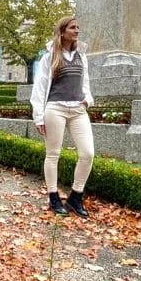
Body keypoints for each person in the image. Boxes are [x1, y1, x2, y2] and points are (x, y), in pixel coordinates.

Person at [30, 16, 95, 217]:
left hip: (77, 110)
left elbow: (85, 83)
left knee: (87, 154)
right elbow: (40, 87)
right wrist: (39, 117)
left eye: (78, 27)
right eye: (73, 27)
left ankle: (76, 195)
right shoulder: (50, 56)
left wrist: (87, 100)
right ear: (63, 31)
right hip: (55, 109)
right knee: (53, 154)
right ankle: (53, 197)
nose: (77, 31)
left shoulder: (81, 56)